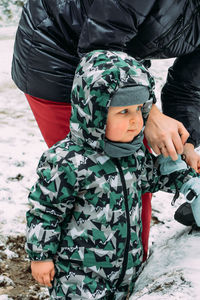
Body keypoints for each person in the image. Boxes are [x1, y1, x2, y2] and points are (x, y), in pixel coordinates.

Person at [12, 0, 200, 259]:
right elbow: (99, 43)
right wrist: (148, 113)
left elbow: (187, 88)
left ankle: (127, 275)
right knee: (93, 181)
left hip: (120, 71)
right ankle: (75, 277)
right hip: (56, 55)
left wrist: (185, 143)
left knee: (131, 180)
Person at [26, 50, 200, 299]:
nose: (135, 121)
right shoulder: (66, 161)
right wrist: (41, 256)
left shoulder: (134, 153)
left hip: (126, 273)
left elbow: (153, 177)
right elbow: (45, 212)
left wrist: (185, 179)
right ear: (94, 111)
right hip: (79, 279)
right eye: (123, 112)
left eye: (140, 110)